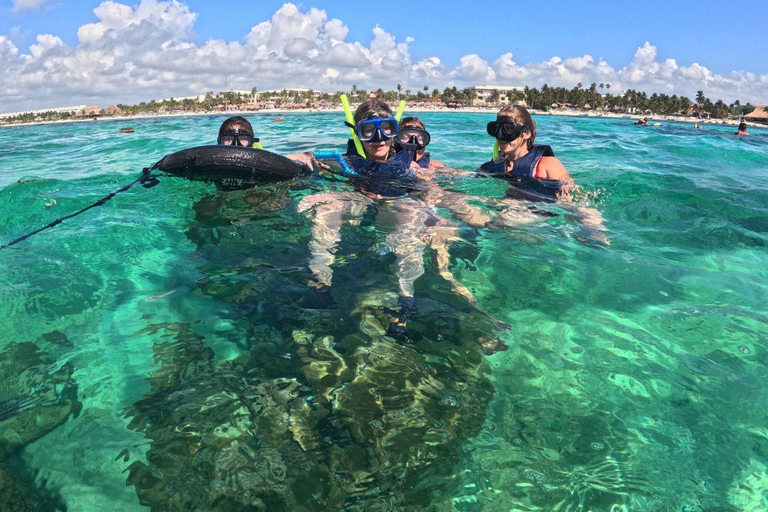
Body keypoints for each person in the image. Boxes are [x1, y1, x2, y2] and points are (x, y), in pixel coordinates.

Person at [297, 99, 500, 345]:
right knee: (325, 205)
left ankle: (406, 296)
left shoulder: (408, 164)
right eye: (368, 131)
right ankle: (320, 283)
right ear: (357, 133)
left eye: (387, 128)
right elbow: (306, 157)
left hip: (393, 208)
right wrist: (294, 162)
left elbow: (436, 180)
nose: (379, 138)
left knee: (411, 212)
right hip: (357, 204)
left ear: (395, 130)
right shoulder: (344, 161)